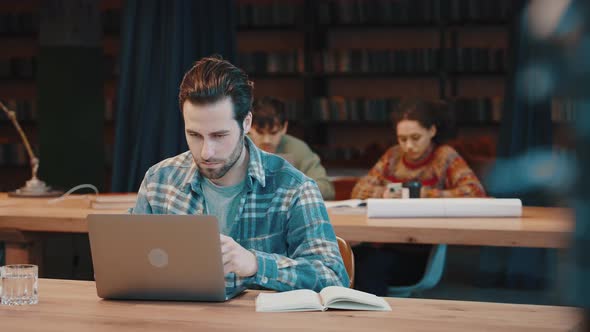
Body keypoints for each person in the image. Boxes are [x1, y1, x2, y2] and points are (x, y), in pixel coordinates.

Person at [132, 56, 349, 292]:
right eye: (194, 135)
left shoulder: (295, 188)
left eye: (219, 136)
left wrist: (256, 264)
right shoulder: (158, 181)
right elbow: (128, 266)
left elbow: (334, 278)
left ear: (246, 124)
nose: (206, 152)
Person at [351, 99, 486, 296]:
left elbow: (475, 193)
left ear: (432, 131)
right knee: (347, 258)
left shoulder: (444, 156)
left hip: (418, 250)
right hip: (382, 240)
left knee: (369, 266)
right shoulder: (393, 156)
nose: (408, 146)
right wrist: (395, 192)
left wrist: (421, 194)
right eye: (402, 138)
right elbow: (360, 190)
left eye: (415, 137)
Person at [249, 97, 335, 200]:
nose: (266, 140)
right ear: (248, 126)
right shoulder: (237, 147)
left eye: (273, 133)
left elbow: (327, 189)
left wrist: (292, 189)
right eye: (260, 132)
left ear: (284, 127)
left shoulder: (298, 149)